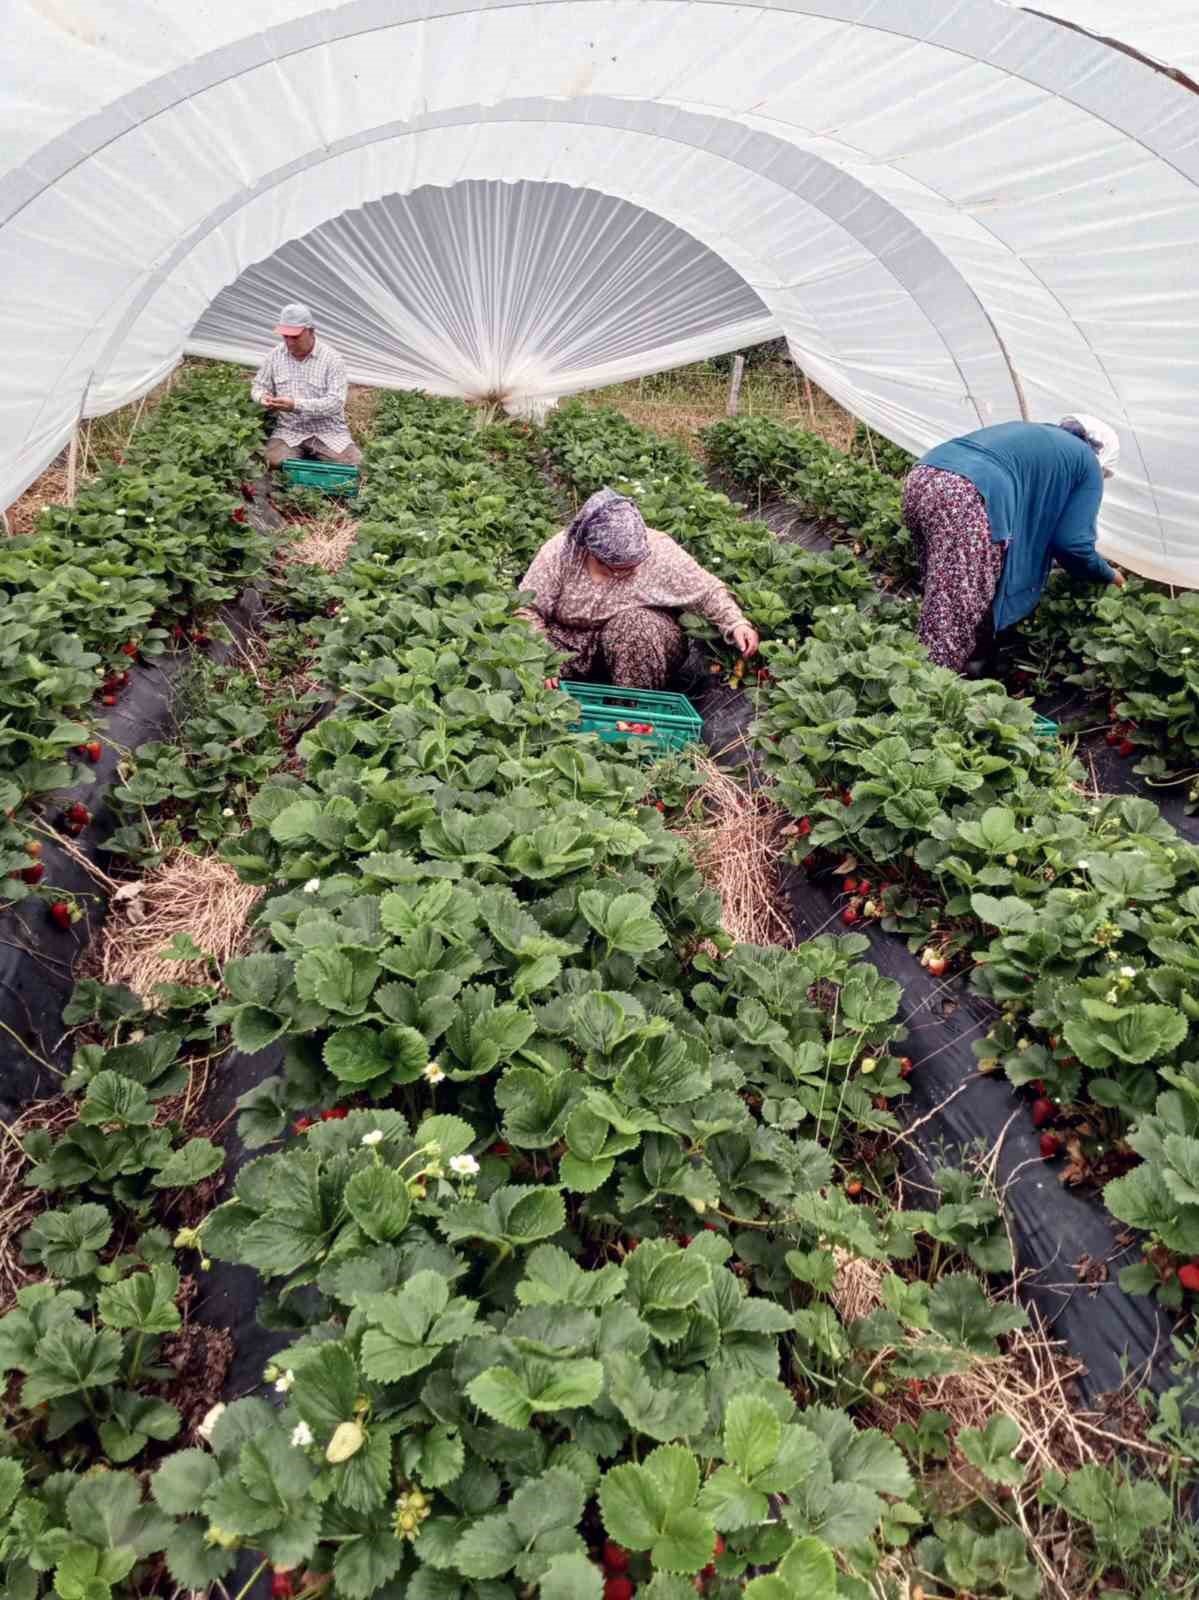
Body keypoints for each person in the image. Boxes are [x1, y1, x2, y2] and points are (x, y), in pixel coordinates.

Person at [901, 414, 1125, 675]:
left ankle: (925, 673)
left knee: (943, 595)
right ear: (1102, 457)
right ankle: (927, 693)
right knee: (954, 615)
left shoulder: (1038, 436)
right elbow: (1073, 543)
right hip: (966, 495)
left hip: (922, 477)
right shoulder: (1086, 462)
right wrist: (1108, 574)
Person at [516, 487, 759, 690]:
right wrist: (542, 657)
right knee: (519, 663)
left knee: (635, 626)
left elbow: (706, 591)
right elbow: (527, 609)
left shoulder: (660, 552)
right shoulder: (560, 554)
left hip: (640, 647)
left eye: (632, 566)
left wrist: (735, 623)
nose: (626, 573)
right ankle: (558, 713)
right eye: (615, 567)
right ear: (591, 552)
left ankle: (632, 713)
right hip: (572, 644)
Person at [251, 302, 363, 469]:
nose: (289, 342)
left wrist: (296, 405)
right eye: (285, 336)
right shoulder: (275, 355)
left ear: (311, 331)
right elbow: (258, 386)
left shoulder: (333, 360)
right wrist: (263, 398)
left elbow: (335, 403)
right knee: (272, 461)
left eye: (295, 337)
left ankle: (310, 467)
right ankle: (307, 468)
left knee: (355, 463)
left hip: (328, 432)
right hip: (289, 431)